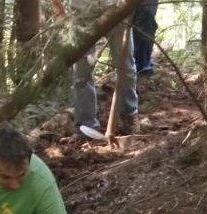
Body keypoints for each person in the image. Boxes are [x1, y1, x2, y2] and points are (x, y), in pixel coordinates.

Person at [52, 0, 141, 136]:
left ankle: (129, 115)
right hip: (81, 10)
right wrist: (61, 15)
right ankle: (86, 124)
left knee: (126, 66)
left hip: (115, 6)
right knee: (81, 72)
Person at [132, 0, 158, 76]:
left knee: (145, 30)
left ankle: (143, 64)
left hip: (146, 9)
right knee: (138, 31)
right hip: (139, 10)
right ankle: (141, 64)